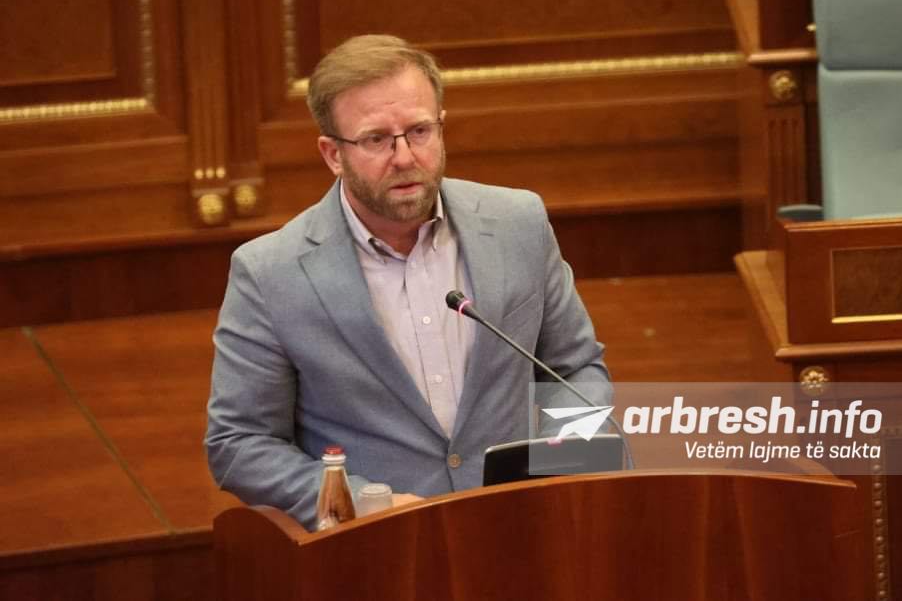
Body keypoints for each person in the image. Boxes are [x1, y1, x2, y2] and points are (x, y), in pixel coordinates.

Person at [205, 35, 611, 529]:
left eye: (419, 131)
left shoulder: (517, 223)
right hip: (379, 546)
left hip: (525, 526)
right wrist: (361, 502)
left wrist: (558, 467)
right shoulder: (271, 272)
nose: (404, 157)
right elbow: (239, 443)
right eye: (376, 139)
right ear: (333, 154)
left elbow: (576, 370)